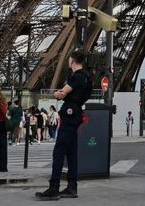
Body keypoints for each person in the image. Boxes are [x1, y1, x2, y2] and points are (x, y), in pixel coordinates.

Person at [36, 50, 92, 201]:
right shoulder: (87, 77)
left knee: (59, 151)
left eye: (69, 60)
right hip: (77, 111)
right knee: (71, 152)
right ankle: (72, 187)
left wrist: (57, 94)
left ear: (72, 61)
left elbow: (62, 93)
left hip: (69, 113)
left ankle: (54, 187)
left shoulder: (76, 77)